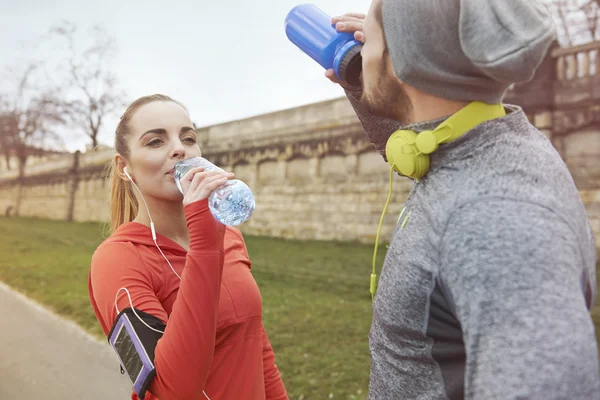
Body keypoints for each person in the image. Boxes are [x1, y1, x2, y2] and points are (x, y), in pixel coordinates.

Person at [325, 1, 599, 399]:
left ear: (402, 63)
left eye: (372, 41)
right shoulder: (486, 143)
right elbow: (425, 143)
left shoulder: (497, 220)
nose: (361, 49)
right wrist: (365, 80)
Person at [87, 94, 288, 400]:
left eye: (188, 137)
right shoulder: (116, 259)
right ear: (123, 167)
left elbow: (255, 344)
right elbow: (172, 389)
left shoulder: (229, 237)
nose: (179, 149)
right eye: (156, 141)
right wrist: (206, 245)